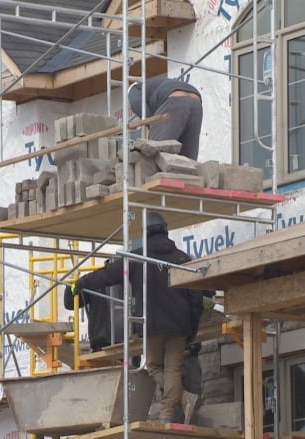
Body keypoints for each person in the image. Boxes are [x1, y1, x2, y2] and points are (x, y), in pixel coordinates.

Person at [65, 212, 198, 423]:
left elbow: (107, 275)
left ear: (145, 233)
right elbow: (195, 295)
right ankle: (171, 409)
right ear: (166, 230)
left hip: (152, 324)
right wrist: (193, 327)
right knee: (174, 368)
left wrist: (80, 283)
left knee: (153, 366)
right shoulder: (182, 258)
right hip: (180, 323)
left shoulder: (138, 257)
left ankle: (178, 403)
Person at [128, 78, 203, 160]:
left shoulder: (133, 89)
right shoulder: (154, 85)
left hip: (174, 101)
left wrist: (154, 126)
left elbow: (139, 105)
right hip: (196, 102)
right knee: (188, 159)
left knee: (157, 152)